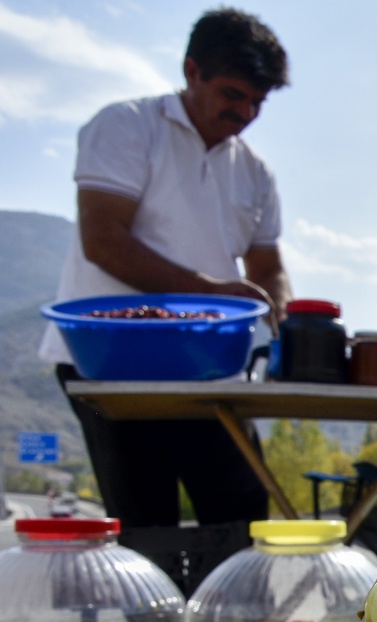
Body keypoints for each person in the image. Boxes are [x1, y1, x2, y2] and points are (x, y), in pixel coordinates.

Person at [44, 8, 291, 532]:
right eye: (232, 94)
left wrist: (281, 319)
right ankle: (157, 618)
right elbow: (104, 241)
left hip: (211, 369)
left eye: (257, 101)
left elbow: (268, 267)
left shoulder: (254, 170)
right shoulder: (126, 126)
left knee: (241, 515)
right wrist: (213, 296)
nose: (244, 111)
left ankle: (236, 617)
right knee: (143, 522)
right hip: (109, 365)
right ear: (191, 71)